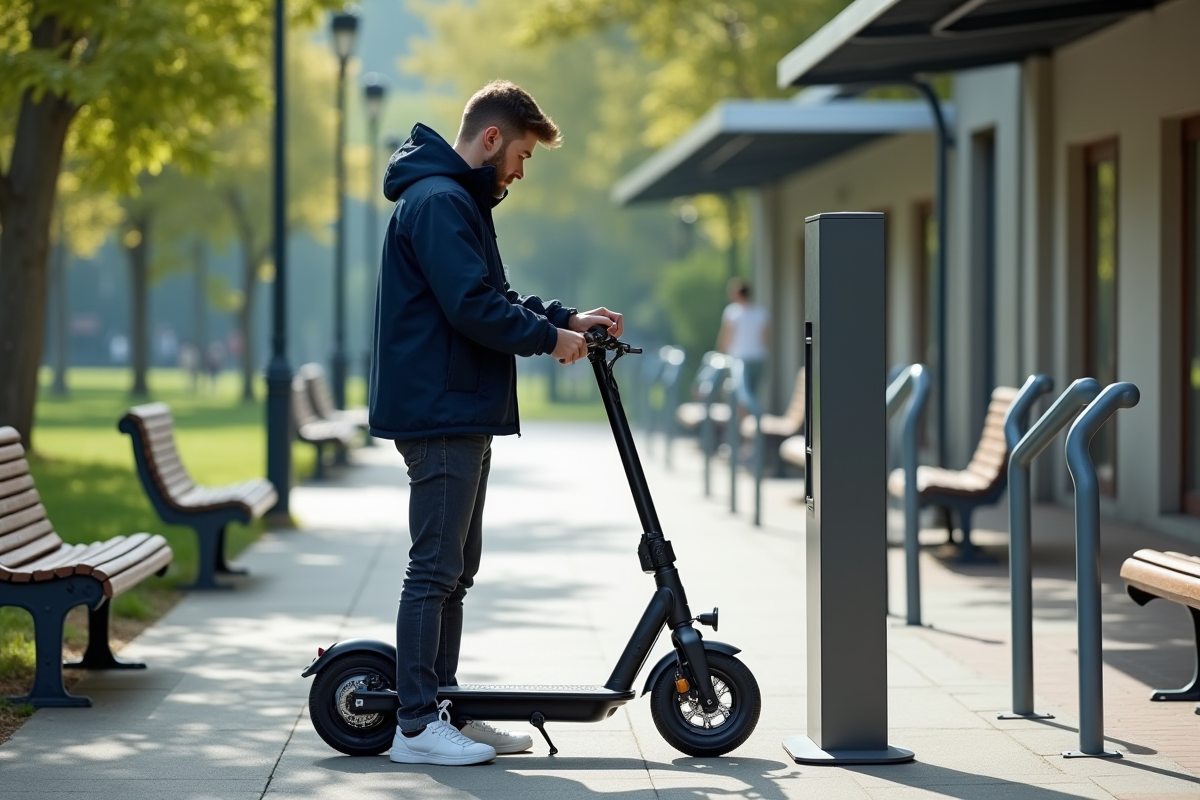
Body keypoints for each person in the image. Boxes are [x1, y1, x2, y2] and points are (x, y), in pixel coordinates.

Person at [370, 80, 624, 766]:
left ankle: (443, 705)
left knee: (455, 570)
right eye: (520, 155)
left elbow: (496, 296)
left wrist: (566, 319)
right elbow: (470, 308)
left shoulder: (458, 201)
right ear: (490, 140)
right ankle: (418, 727)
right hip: (440, 410)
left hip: (459, 407)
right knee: (434, 569)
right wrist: (548, 342)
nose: (520, 170)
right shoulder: (440, 201)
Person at [716, 278, 769, 398]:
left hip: (738, 358)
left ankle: (743, 417)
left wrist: (720, 352)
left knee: (740, 393)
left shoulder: (732, 312)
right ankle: (750, 416)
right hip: (758, 357)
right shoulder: (761, 312)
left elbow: (726, 336)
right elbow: (765, 337)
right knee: (752, 393)